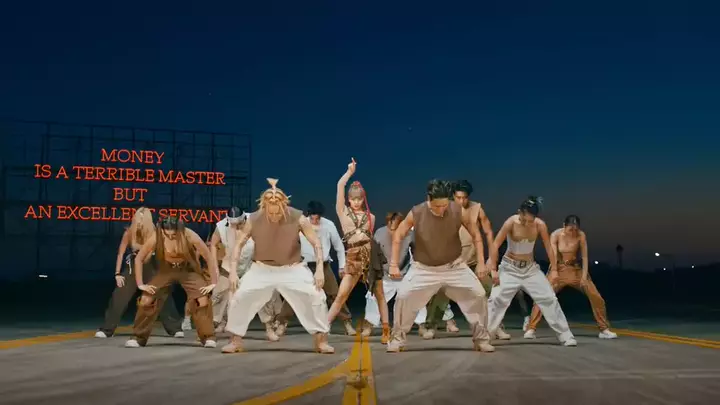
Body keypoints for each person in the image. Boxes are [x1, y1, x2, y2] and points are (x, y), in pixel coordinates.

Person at [221, 178, 334, 354]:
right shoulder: (254, 219)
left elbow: (316, 243)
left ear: (284, 206)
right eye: (270, 212)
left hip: (293, 268)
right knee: (238, 296)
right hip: (261, 269)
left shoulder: (298, 217)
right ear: (264, 207)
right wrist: (233, 272)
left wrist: (319, 269)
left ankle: (321, 341)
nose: (274, 216)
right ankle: (235, 341)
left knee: (316, 296)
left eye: (277, 212)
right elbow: (238, 244)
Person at [386, 180, 495, 353]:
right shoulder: (417, 212)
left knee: (478, 294)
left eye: (444, 205)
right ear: (428, 199)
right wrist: (393, 264)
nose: (441, 210)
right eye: (437, 206)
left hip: (454, 267)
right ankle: (397, 339)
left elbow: (476, 235)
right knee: (404, 296)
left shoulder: (457, 210)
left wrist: (481, 262)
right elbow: (399, 234)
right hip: (424, 268)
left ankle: (481, 339)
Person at [486, 196, 577, 347]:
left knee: (549, 298)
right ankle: (485, 336)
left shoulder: (540, 225)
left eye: (531, 220)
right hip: (509, 268)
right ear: (519, 213)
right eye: (524, 220)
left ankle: (565, 335)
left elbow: (549, 247)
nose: (527, 223)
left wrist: (554, 270)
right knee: (496, 299)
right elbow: (495, 245)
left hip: (530, 269)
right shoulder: (511, 222)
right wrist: (494, 269)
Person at [124, 216, 218, 348]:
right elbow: (139, 258)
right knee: (146, 299)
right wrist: (140, 284)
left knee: (202, 299)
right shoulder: (156, 236)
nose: (170, 237)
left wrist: (213, 282)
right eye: (166, 234)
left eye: (173, 235)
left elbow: (208, 256)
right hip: (166, 270)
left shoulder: (189, 235)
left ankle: (208, 337)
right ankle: (138, 337)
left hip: (187, 269)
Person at [95, 207, 183, 339]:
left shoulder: (155, 233)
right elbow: (120, 254)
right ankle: (107, 329)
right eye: (138, 218)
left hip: (151, 265)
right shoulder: (129, 233)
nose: (140, 221)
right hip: (132, 266)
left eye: (143, 219)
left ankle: (175, 328)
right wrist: (117, 274)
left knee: (162, 294)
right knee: (119, 296)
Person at [524, 215, 617, 339]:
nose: (573, 232)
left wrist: (584, 276)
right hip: (559, 269)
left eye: (575, 229)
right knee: (543, 296)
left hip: (575, 270)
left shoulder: (581, 235)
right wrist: (554, 272)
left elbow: (584, 257)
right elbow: (553, 255)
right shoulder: (556, 235)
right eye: (570, 229)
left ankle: (604, 329)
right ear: (564, 226)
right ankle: (531, 328)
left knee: (596, 296)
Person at [274, 201, 356, 336]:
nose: (315, 221)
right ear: (308, 215)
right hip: (304, 265)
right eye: (312, 218)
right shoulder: (301, 223)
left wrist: (342, 266)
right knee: (293, 294)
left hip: (323, 265)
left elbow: (339, 247)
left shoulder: (328, 225)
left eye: (318, 218)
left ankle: (346, 322)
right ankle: (282, 323)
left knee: (335, 294)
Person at [329, 158, 389, 342]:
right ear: (349, 199)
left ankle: (386, 330)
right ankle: (322, 329)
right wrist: (349, 173)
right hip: (353, 256)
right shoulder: (343, 212)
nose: (356, 202)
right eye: (353, 199)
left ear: (363, 199)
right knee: (341, 295)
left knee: (379, 294)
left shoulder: (371, 216)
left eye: (359, 199)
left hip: (370, 255)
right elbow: (340, 186)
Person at [209, 207, 283, 339]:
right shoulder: (221, 226)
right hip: (229, 266)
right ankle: (212, 326)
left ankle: (269, 327)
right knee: (218, 294)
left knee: (262, 294)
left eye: (238, 224)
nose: (236, 227)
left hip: (251, 265)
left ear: (244, 219)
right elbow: (213, 244)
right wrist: (215, 266)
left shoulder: (256, 222)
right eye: (233, 224)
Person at [362, 212, 432, 337]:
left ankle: (421, 324)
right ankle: (369, 324)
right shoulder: (380, 233)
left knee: (416, 296)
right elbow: (373, 257)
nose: (392, 228)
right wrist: (372, 275)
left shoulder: (409, 234)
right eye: (390, 224)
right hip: (384, 275)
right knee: (372, 297)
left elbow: (417, 253)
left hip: (404, 275)